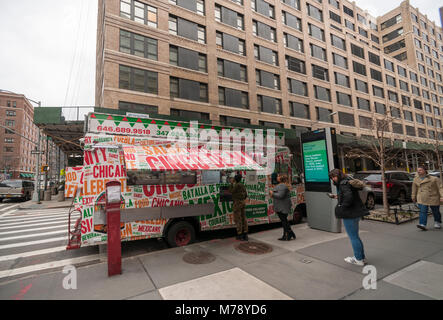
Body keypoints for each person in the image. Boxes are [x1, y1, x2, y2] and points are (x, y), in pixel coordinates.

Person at [329, 169, 369, 266]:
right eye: (331, 178)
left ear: (337, 176)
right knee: (356, 236)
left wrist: (341, 207)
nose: (333, 179)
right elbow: (348, 195)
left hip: (350, 214)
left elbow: (349, 197)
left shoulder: (343, 184)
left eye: (333, 177)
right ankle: (361, 257)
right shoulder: (348, 181)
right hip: (355, 213)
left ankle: (358, 259)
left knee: (353, 237)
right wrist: (337, 197)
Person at [412, 166, 443, 231]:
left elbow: (440, 188)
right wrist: (413, 196)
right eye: (418, 170)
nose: (418, 171)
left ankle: (437, 222)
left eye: (420, 170)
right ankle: (422, 224)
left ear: (425, 170)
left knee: (435, 211)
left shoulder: (434, 179)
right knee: (423, 211)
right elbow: (414, 189)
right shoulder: (416, 179)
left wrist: (442, 196)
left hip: (433, 197)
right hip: (421, 198)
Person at [270, 174, 296, 241]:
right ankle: (289, 234)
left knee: (284, 221)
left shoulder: (283, 186)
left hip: (282, 207)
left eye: (278, 176)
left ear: (281, 178)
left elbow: (280, 196)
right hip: (282, 206)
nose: (277, 177)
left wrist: (272, 194)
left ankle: (287, 235)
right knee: (284, 221)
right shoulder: (283, 185)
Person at [229, 173, 248, 241]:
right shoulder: (242, 185)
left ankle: (239, 234)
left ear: (235, 179)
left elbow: (231, 191)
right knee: (243, 218)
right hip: (243, 202)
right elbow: (246, 195)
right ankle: (245, 234)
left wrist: (231, 183)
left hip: (237, 203)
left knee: (238, 218)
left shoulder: (237, 185)